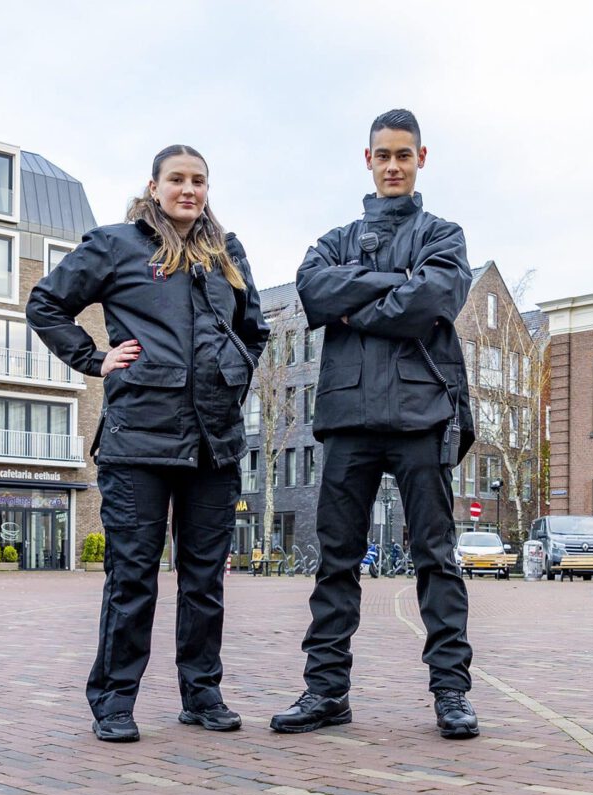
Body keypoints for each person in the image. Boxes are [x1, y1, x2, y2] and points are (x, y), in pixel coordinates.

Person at [27, 145, 268, 743]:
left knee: (204, 575)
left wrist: (232, 372)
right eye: (177, 180)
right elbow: (46, 303)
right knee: (133, 574)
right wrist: (96, 358)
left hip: (216, 444)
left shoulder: (226, 254)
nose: (189, 190)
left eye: (199, 181)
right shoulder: (117, 245)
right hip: (138, 441)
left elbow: (253, 329)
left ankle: (202, 693)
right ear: (154, 185)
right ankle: (113, 700)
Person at [270, 109, 479, 739]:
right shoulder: (331, 241)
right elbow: (313, 292)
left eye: (403, 156)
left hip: (420, 416)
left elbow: (435, 300)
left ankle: (451, 693)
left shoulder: (445, 235)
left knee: (435, 558)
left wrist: (359, 299)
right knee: (336, 561)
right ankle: (325, 691)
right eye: (382, 155)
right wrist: (396, 288)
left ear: (421, 159)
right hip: (348, 417)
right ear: (367, 160)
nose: (392, 166)